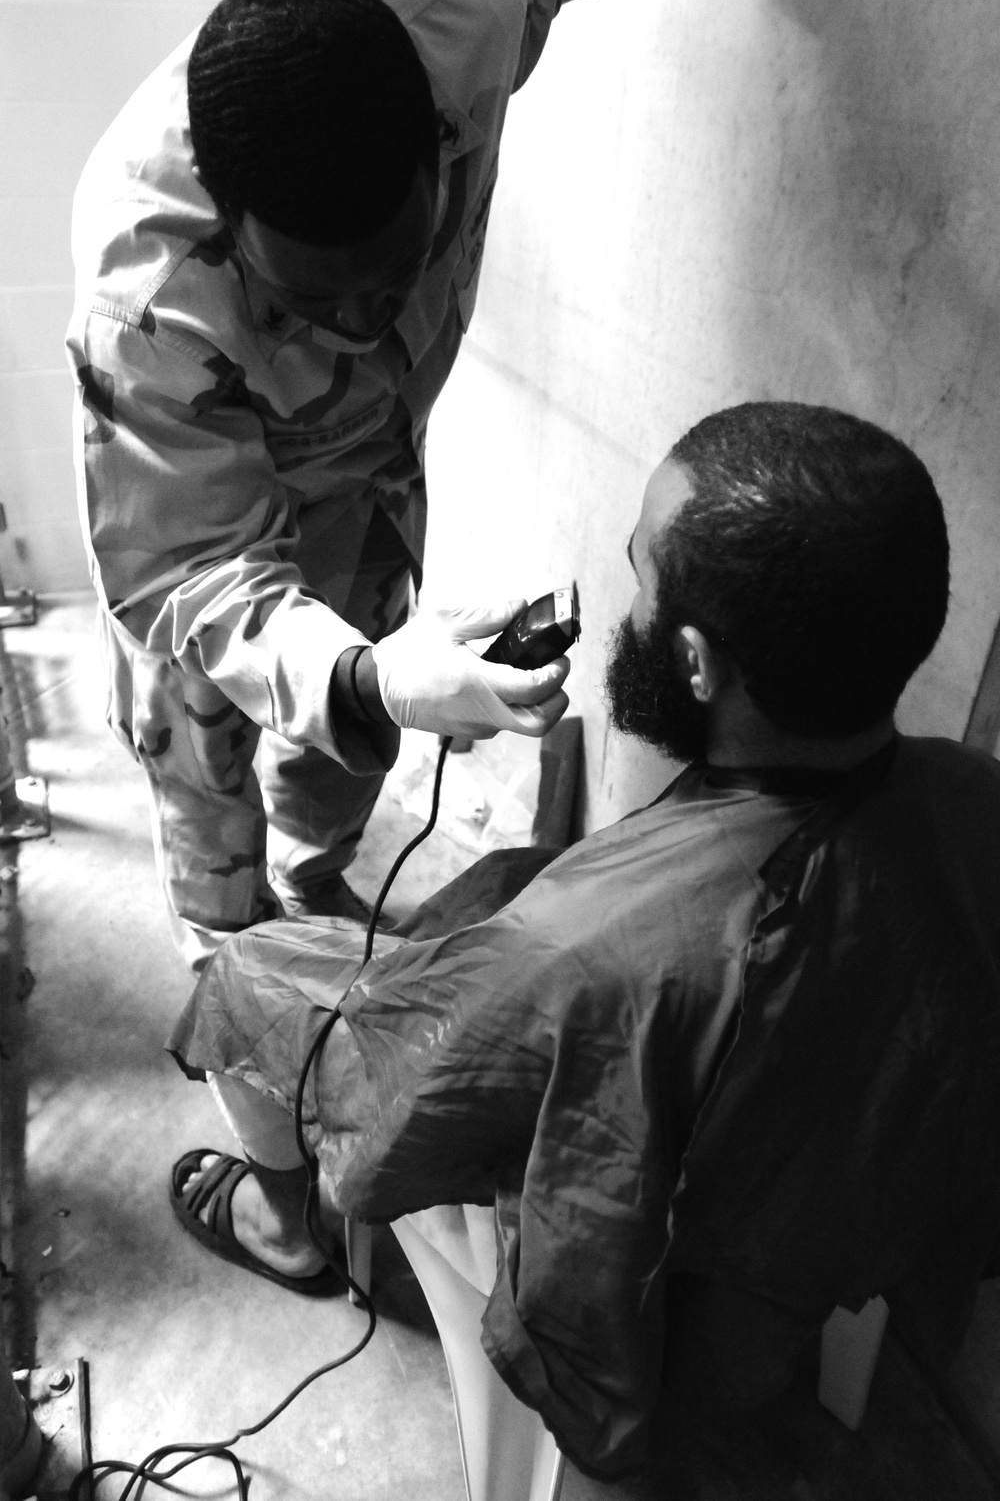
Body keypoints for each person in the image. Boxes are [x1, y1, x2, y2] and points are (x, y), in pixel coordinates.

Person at [167, 402, 1000, 1480]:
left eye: (641, 576)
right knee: (509, 885)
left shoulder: (592, 959)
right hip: (831, 1184)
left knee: (245, 969)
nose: (624, 598)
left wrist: (412, 989)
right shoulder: (974, 798)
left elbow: (398, 1093)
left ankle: (283, 1221)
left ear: (695, 662)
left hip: (664, 1262)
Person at [66, 0, 581, 973]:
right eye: (306, 299)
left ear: (439, 144)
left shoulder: (466, 26)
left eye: (390, 278)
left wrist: (377, 682)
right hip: (194, 534)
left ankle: (313, 876)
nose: (357, 324)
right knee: (199, 763)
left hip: (369, 481)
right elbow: (191, 568)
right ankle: (236, 958)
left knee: (355, 738)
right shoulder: (150, 288)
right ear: (231, 224)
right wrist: (365, 675)